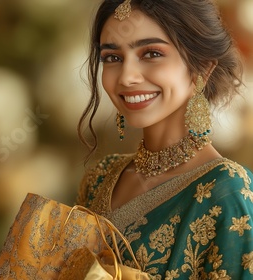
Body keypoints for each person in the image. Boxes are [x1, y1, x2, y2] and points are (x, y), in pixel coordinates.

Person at [76, 0, 253, 279]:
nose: (127, 77)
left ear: (201, 70)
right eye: (112, 57)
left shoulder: (226, 189)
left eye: (151, 53)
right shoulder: (100, 177)